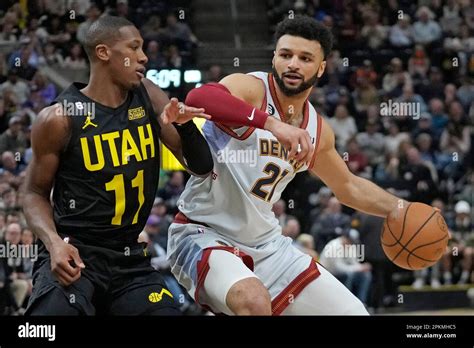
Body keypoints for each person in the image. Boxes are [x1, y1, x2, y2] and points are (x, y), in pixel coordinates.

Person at [167, 15, 419, 315]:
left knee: (355, 313)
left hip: (267, 246)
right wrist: (273, 124)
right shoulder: (251, 89)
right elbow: (200, 96)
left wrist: (401, 209)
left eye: (305, 58)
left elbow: (348, 186)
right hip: (202, 234)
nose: (293, 64)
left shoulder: (317, 130)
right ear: (274, 56)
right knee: (252, 301)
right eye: (285, 55)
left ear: (322, 67)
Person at [23, 16, 213, 316]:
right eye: (134, 47)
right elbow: (33, 193)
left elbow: (200, 168)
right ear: (103, 53)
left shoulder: (148, 94)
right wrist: (53, 243)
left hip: (130, 258)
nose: (144, 56)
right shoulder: (58, 118)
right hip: (75, 252)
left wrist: (187, 128)